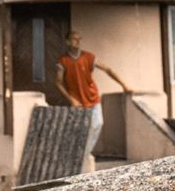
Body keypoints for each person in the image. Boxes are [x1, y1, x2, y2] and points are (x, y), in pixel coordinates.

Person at [55, 30, 132, 171]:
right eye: (73, 39)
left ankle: (84, 154)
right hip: (77, 102)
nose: (77, 41)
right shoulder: (63, 61)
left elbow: (108, 69)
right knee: (77, 129)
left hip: (93, 98)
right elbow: (58, 83)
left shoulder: (88, 57)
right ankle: (76, 156)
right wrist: (71, 99)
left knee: (98, 124)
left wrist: (124, 85)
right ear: (67, 42)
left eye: (79, 39)